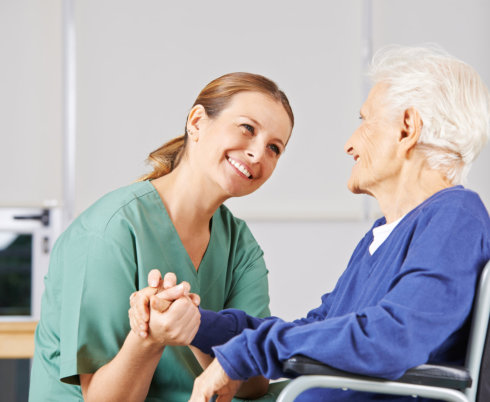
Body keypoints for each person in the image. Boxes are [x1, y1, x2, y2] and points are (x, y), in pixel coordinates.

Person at [133, 45, 490, 401]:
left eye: (365, 121)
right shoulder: (385, 234)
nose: (350, 145)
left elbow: (397, 336)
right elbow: (319, 328)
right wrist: (198, 323)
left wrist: (243, 356)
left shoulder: (455, 216)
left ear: (407, 128)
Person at [29, 72, 294, 402]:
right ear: (196, 122)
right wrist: (151, 337)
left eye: (274, 148)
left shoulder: (239, 244)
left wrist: (199, 328)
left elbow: (255, 384)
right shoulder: (109, 231)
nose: (258, 153)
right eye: (247, 128)